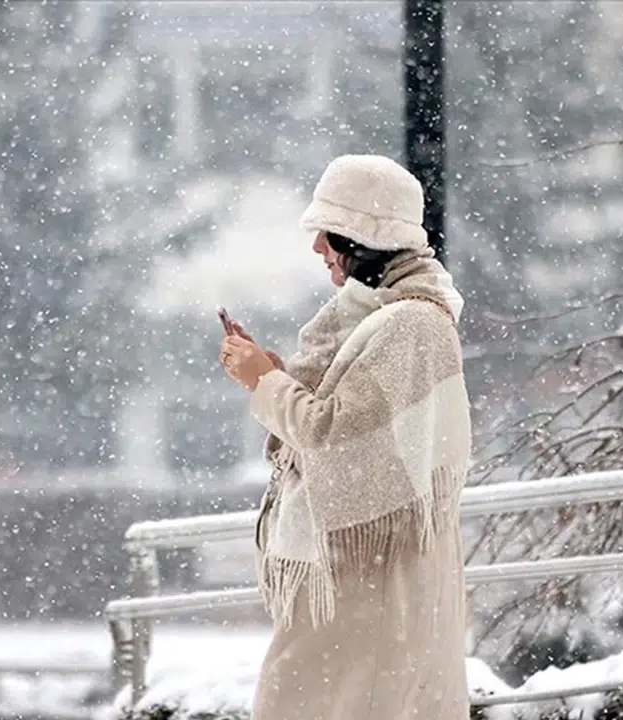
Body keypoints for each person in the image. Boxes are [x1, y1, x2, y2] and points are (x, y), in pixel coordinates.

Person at [219, 154, 473, 720]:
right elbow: (347, 421)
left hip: (370, 588)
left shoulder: (410, 324)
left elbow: (334, 436)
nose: (318, 249)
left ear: (363, 239)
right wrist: (272, 376)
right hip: (362, 583)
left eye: (328, 233)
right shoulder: (385, 316)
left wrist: (264, 381)